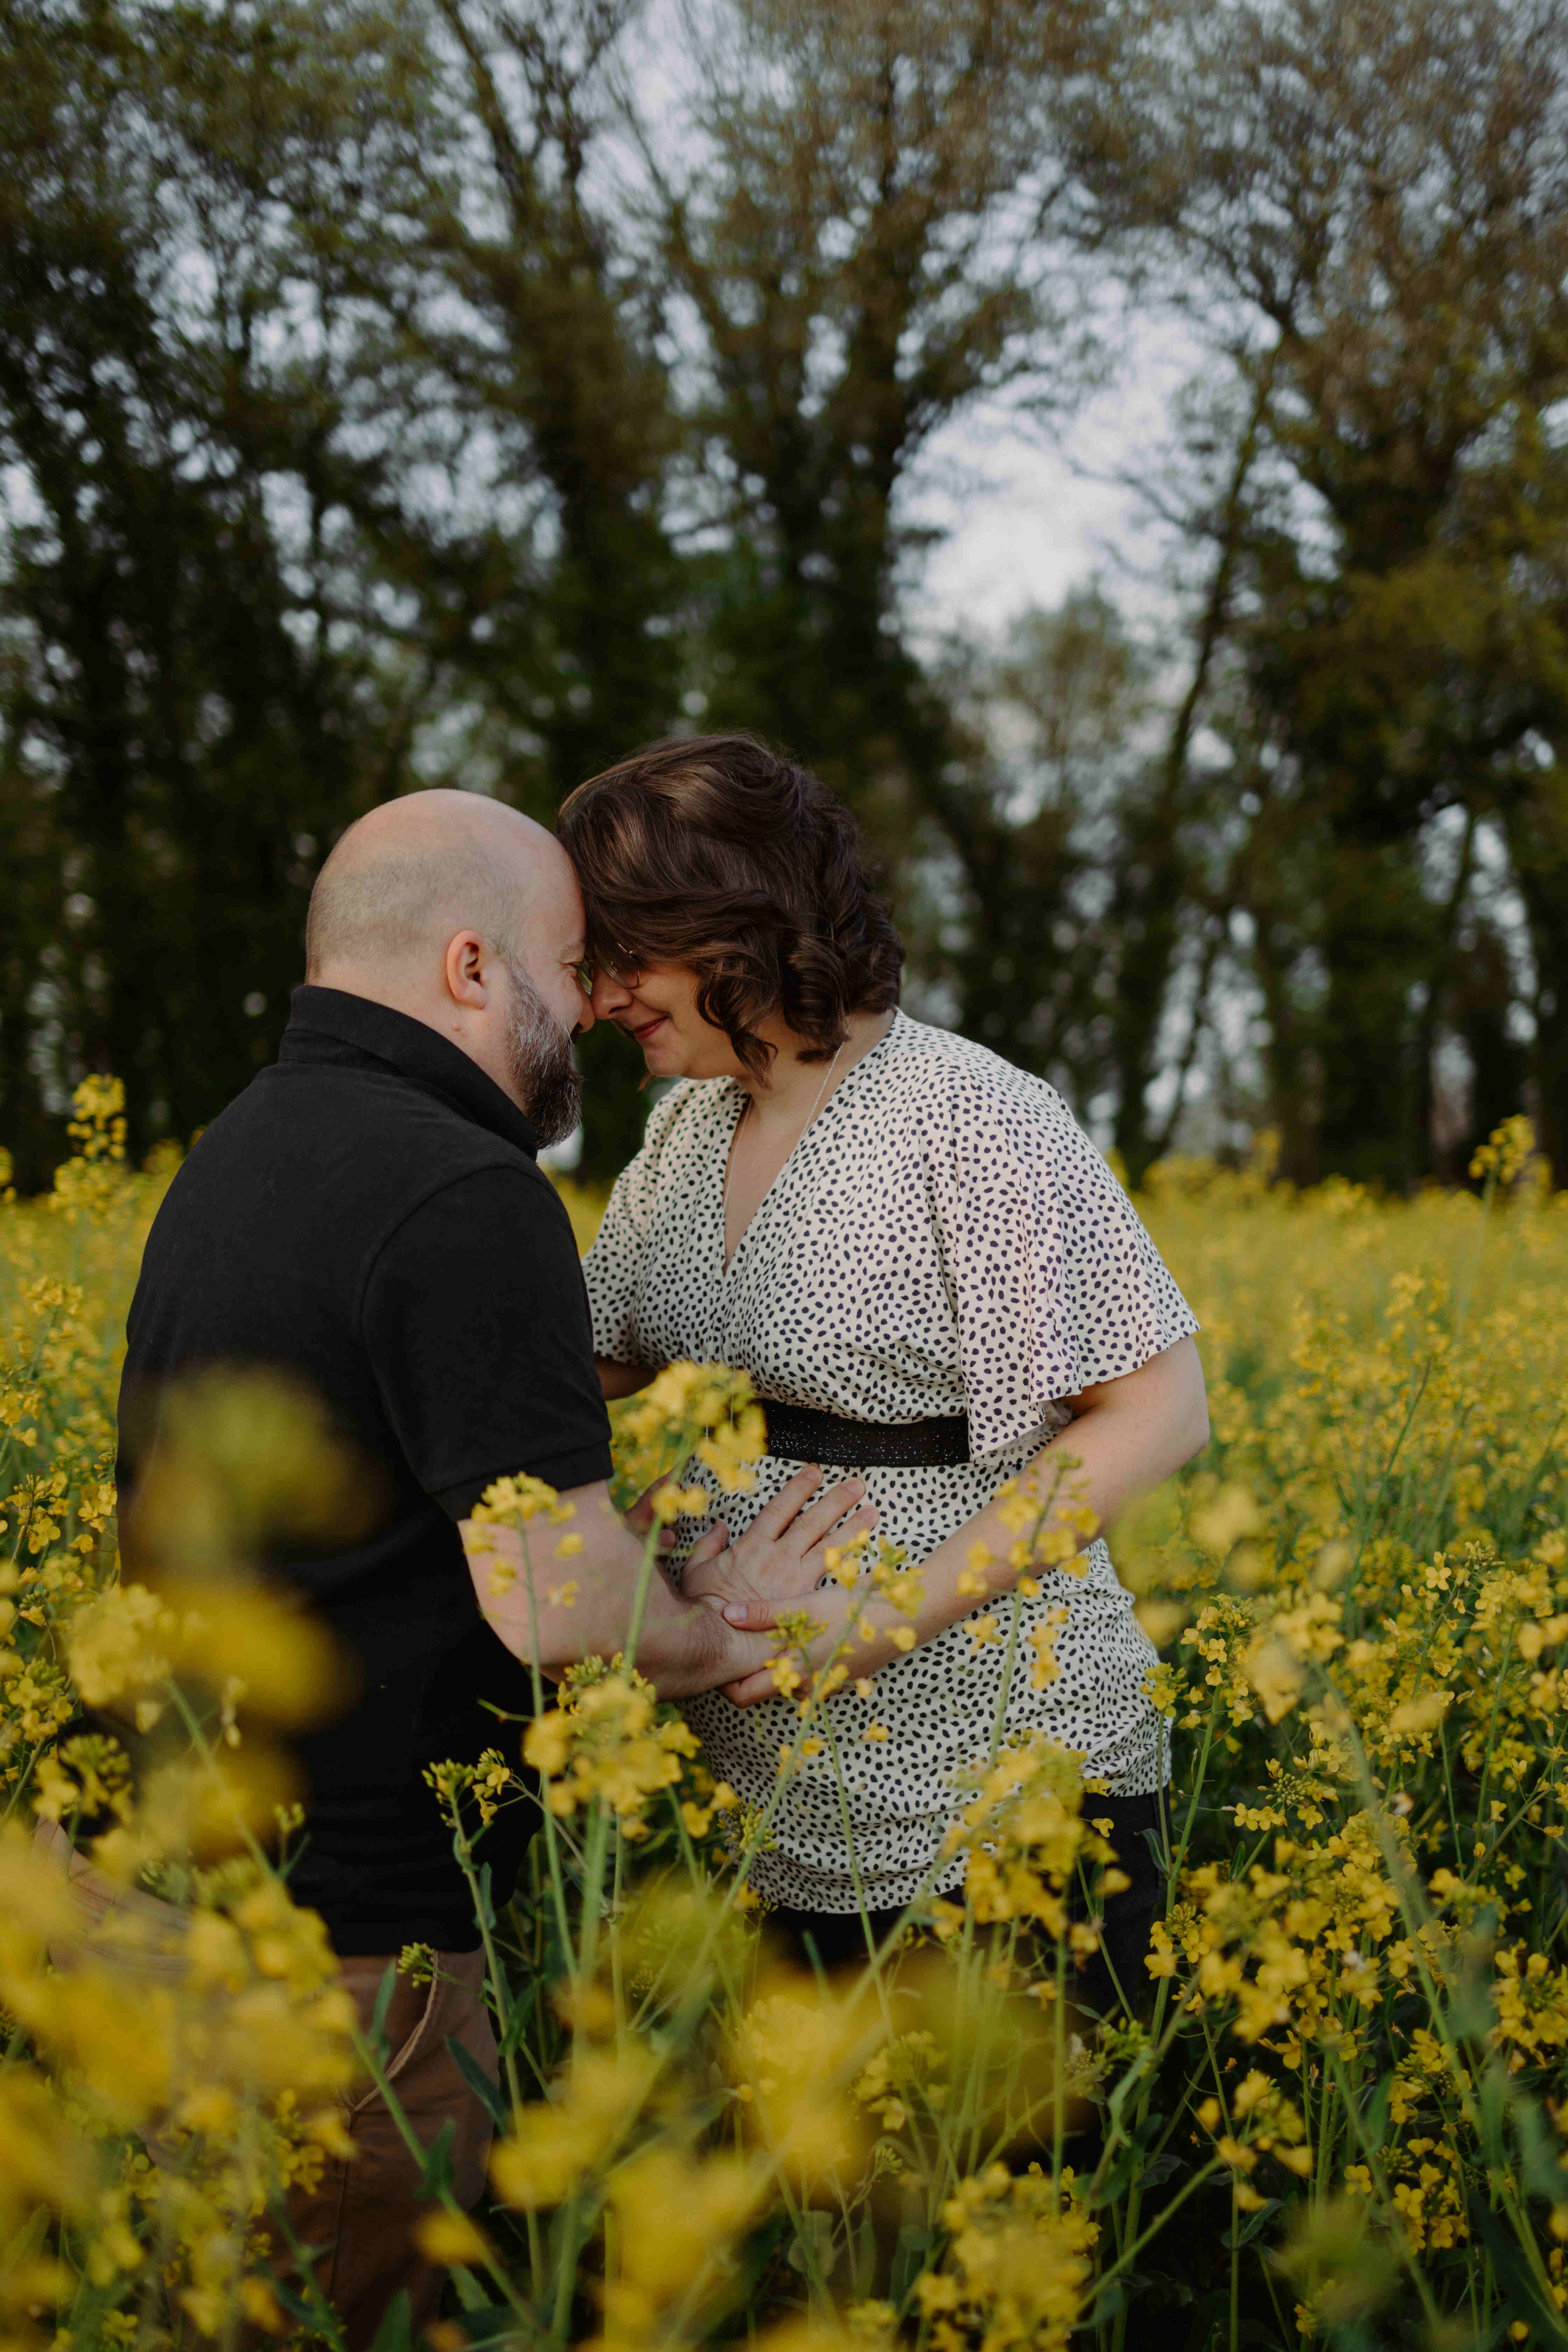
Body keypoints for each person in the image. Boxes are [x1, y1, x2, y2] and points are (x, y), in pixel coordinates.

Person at [72, 788, 857, 2348]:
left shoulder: (244, 1149)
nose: (591, 1005)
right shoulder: (461, 1184)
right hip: (346, 1963)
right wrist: (716, 1629)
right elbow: (558, 1599)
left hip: (147, 1903)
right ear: (471, 967)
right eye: (571, 965)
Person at [559, 736, 1211, 2001]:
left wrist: (877, 1623)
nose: (596, 996)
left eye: (623, 952)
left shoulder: (971, 1114)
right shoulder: (687, 1122)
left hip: (1001, 1781)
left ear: (731, 920)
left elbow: (1158, 1410)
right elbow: (587, 1361)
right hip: (775, 1791)